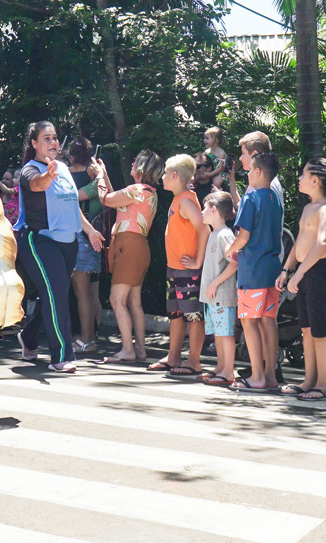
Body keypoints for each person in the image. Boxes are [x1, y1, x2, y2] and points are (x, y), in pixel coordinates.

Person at [14, 121, 106, 373]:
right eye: (47, 138)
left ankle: (29, 336)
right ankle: (61, 356)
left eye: (54, 138)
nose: (53, 142)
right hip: (38, 240)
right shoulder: (30, 170)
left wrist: (90, 230)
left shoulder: (63, 168)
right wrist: (49, 175)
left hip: (69, 242)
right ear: (34, 144)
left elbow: (71, 203)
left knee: (55, 293)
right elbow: (37, 184)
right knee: (57, 294)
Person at [277, 158, 326, 400]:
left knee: (319, 330)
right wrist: (286, 269)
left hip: (322, 271)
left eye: (303, 174)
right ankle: (309, 381)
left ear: (315, 180)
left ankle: (324, 386)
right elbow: (300, 242)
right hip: (305, 271)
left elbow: (323, 242)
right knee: (306, 329)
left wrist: (301, 272)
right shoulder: (309, 207)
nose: (299, 178)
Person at [227, 150, 283, 392]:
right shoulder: (274, 199)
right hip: (272, 268)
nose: (247, 174)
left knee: (249, 321)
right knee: (269, 321)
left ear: (258, 171)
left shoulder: (250, 199)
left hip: (253, 269)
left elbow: (244, 236)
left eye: (250, 170)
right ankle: (270, 375)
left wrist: (230, 249)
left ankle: (257, 375)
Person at [99, 150, 162, 364]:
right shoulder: (147, 192)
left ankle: (127, 350)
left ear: (143, 167)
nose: (132, 163)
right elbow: (117, 198)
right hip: (139, 247)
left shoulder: (135, 190)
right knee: (134, 302)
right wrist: (104, 175)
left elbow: (106, 199)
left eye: (136, 161)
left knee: (116, 299)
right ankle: (140, 349)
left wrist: (98, 177)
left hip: (129, 247)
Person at [155, 154, 208, 377]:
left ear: (175, 176)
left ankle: (194, 361)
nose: (163, 177)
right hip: (175, 267)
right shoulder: (178, 199)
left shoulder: (186, 201)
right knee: (176, 313)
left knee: (193, 315)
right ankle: (173, 357)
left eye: (166, 173)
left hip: (188, 269)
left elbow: (204, 229)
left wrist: (198, 261)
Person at [200, 191, 240, 387]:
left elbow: (235, 262)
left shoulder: (224, 234)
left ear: (214, 210)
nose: (202, 212)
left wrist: (215, 283)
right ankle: (221, 367)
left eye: (205, 208)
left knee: (225, 334)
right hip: (213, 297)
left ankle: (228, 371)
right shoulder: (214, 234)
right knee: (218, 333)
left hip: (221, 295)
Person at [68, 138, 104, 354]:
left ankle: (86, 338)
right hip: (92, 236)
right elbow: (104, 196)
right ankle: (90, 335)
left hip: (80, 235)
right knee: (90, 292)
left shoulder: (65, 175)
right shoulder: (94, 178)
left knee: (80, 292)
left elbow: (71, 198)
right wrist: (100, 176)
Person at [228, 130, 284, 213]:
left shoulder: (264, 185)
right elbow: (241, 208)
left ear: (254, 154)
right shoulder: (263, 179)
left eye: (243, 153)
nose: (240, 158)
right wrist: (232, 180)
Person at [193, 127, 229, 200]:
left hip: (221, 173)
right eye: (205, 138)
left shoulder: (220, 153)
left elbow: (220, 168)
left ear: (216, 140)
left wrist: (209, 174)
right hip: (211, 171)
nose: (204, 140)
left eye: (207, 138)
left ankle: (217, 195)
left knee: (216, 183)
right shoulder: (207, 151)